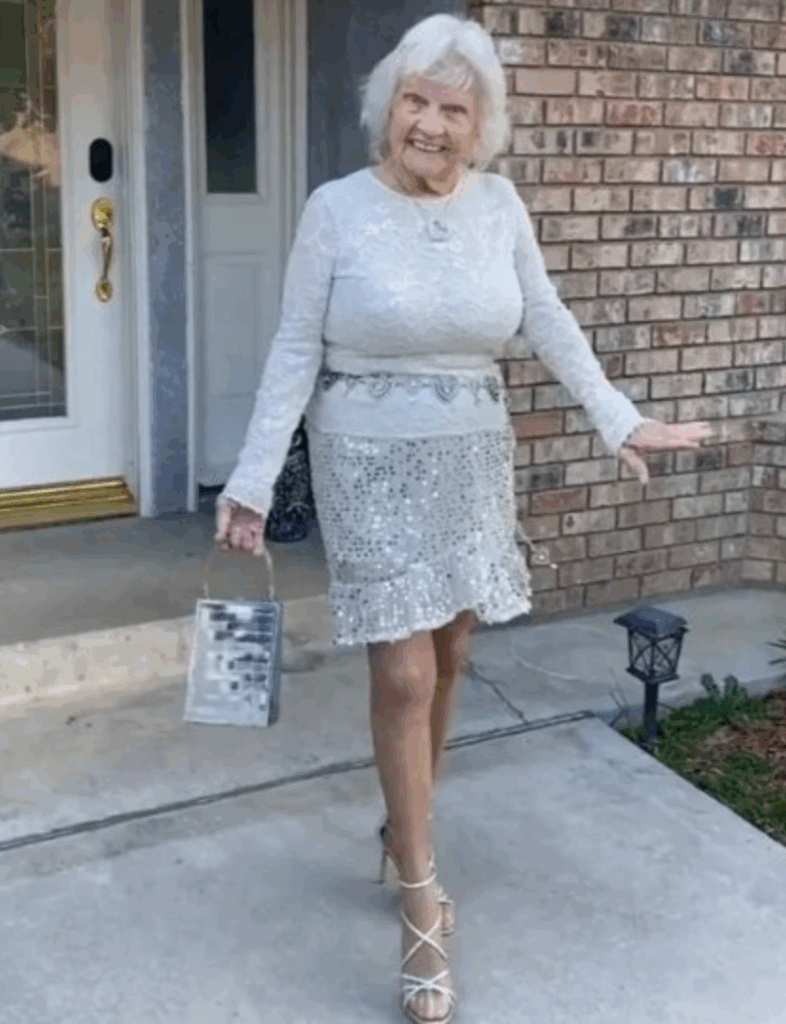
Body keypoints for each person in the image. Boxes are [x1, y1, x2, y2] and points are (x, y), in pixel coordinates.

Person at [214, 14, 715, 1023]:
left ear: (480, 125)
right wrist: (252, 479)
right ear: (386, 106)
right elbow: (293, 349)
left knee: (448, 658)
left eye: (454, 108)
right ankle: (420, 902)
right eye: (416, 100)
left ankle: (406, 831)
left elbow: (546, 317)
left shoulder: (499, 206)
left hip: (473, 455)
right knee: (402, 672)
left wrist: (615, 415)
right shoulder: (335, 210)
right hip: (365, 458)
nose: (431, 125)